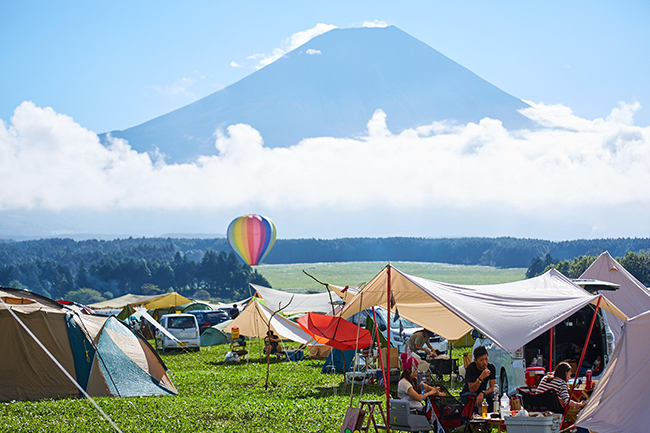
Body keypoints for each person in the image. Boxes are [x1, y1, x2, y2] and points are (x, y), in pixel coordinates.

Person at [397, 352, 445, 433]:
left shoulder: (413, 380)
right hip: (412, 410)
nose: (417, 371)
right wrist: (431, 393)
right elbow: (418, 397)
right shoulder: (404, 383)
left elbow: (425, 387)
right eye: (415, 369)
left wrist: (435, 390)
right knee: (437, 412)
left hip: (418, 408)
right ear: (409, 370)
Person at [460, 346, 496, 411]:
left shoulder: (491, 367)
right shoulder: (471, 368)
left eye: (486, 359)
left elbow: (493, 387)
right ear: (475, 361)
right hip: (469, 392)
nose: (484, 363)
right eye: (481, 360)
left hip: (482, 392)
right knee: (472, 397)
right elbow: (471, 389)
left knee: (493, 396)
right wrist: (481, 377)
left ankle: (491, 415)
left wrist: (483, 393)